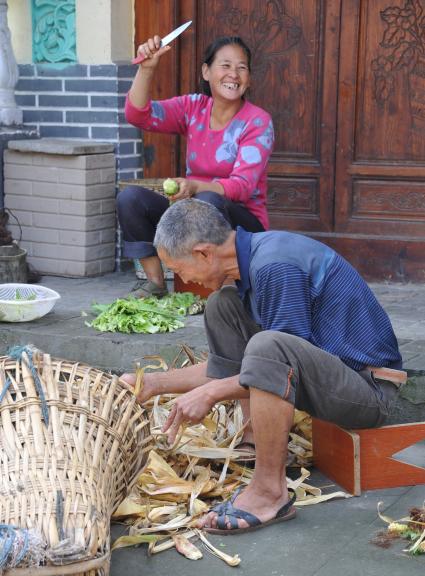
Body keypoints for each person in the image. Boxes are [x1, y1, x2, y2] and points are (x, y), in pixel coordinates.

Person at [121, 198, 404, 534]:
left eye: (179, 270)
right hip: (332, 378)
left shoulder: (274, 266)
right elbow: (235, 370)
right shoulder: (254, 260)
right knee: (222, 306)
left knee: (269, 344)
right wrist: (152, 384)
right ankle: (253, 440)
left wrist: (210, 394)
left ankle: (270, 490)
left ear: (203, 253)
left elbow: (276, 363)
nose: (183, 279)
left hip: (368, 392)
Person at [117, 34, 274, 297]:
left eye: (242, 67)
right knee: (130, 198)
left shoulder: (257, 121)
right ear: (206, 71)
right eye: (225, 65)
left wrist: (194, 186)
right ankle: (154, 283)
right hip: (194, 214)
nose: (233, 74)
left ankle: (225, 291)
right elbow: (138, 115)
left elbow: (242, 187)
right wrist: (147, 68)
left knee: (208, 200)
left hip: (243, 227)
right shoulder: (194, 108)